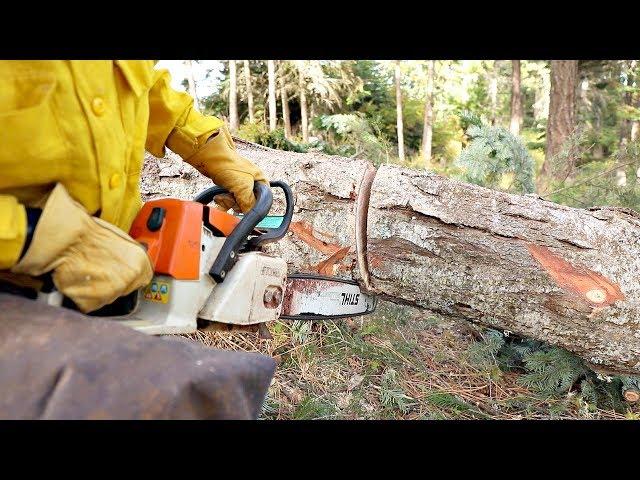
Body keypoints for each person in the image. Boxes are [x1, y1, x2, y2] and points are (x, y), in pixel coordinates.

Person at [0, 60, 268, 312]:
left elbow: (140, 89)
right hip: (16, 284)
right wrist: (44, 239)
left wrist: (210, 149)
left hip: (113, 274)